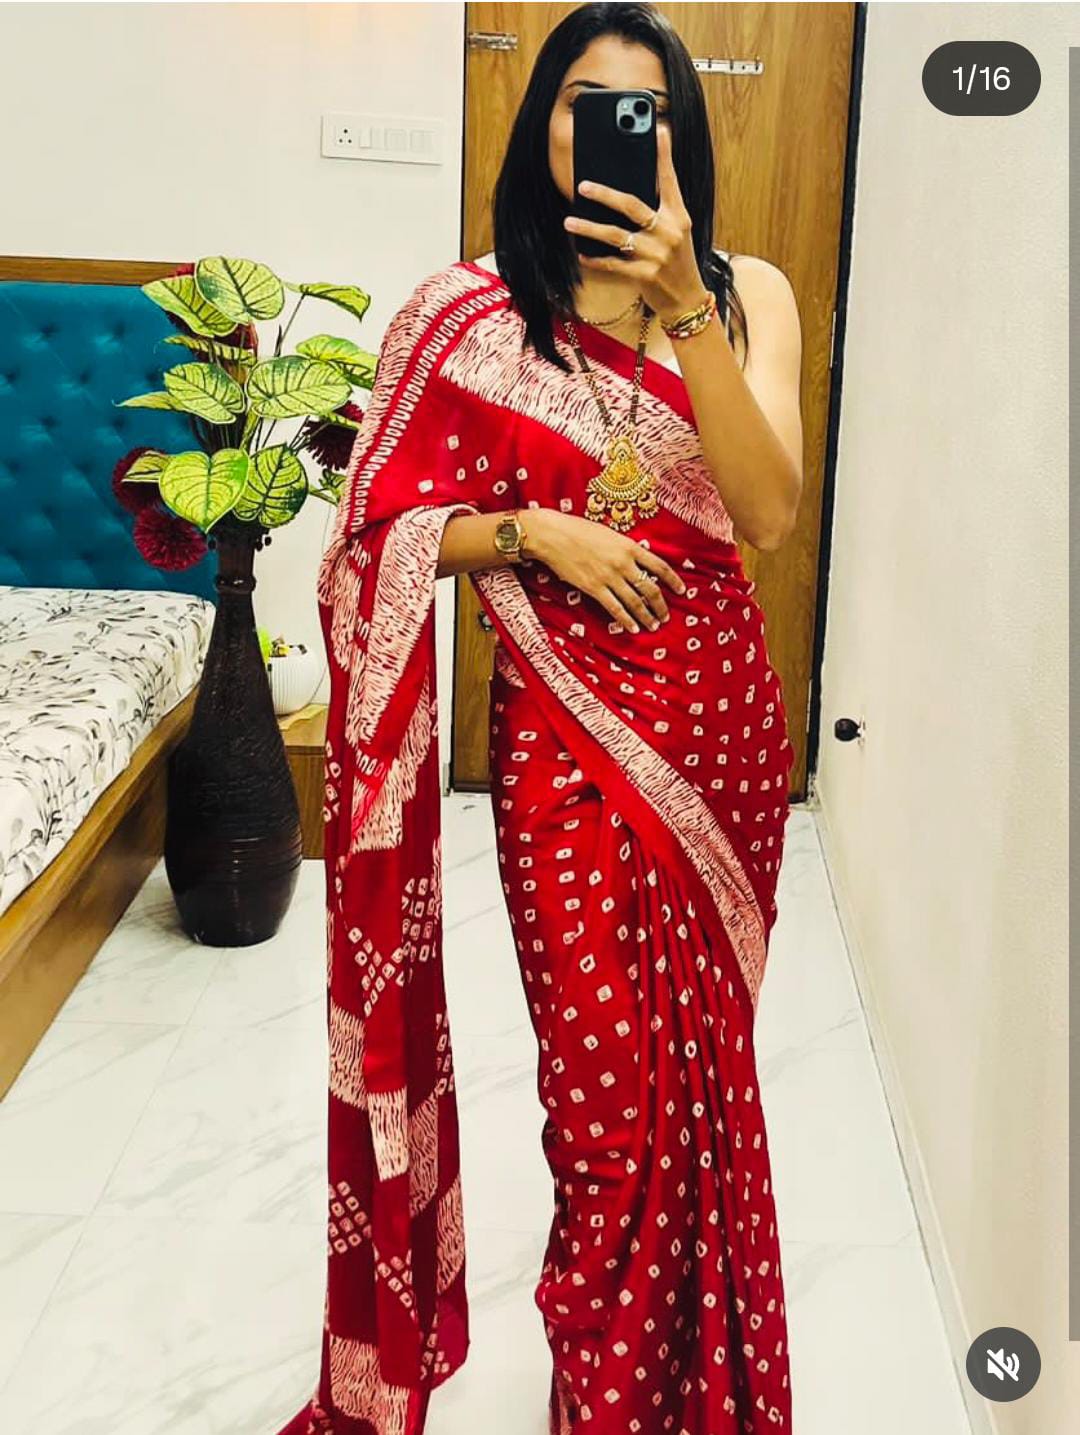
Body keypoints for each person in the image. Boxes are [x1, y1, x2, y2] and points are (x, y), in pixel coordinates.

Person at [276, 4, 803, 1433]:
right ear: (541, 127)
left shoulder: (747, 293)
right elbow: (372, 538)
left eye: (645, 110)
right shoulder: (466, 316)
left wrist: (687, 306)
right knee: (608, 1118)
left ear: (680, 136)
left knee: (701, 1099)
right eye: (584, 104)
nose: (613, 133)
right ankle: (608, 1402)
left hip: (719, 737)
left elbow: (765, 514)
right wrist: (531, 533)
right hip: (562, 749)